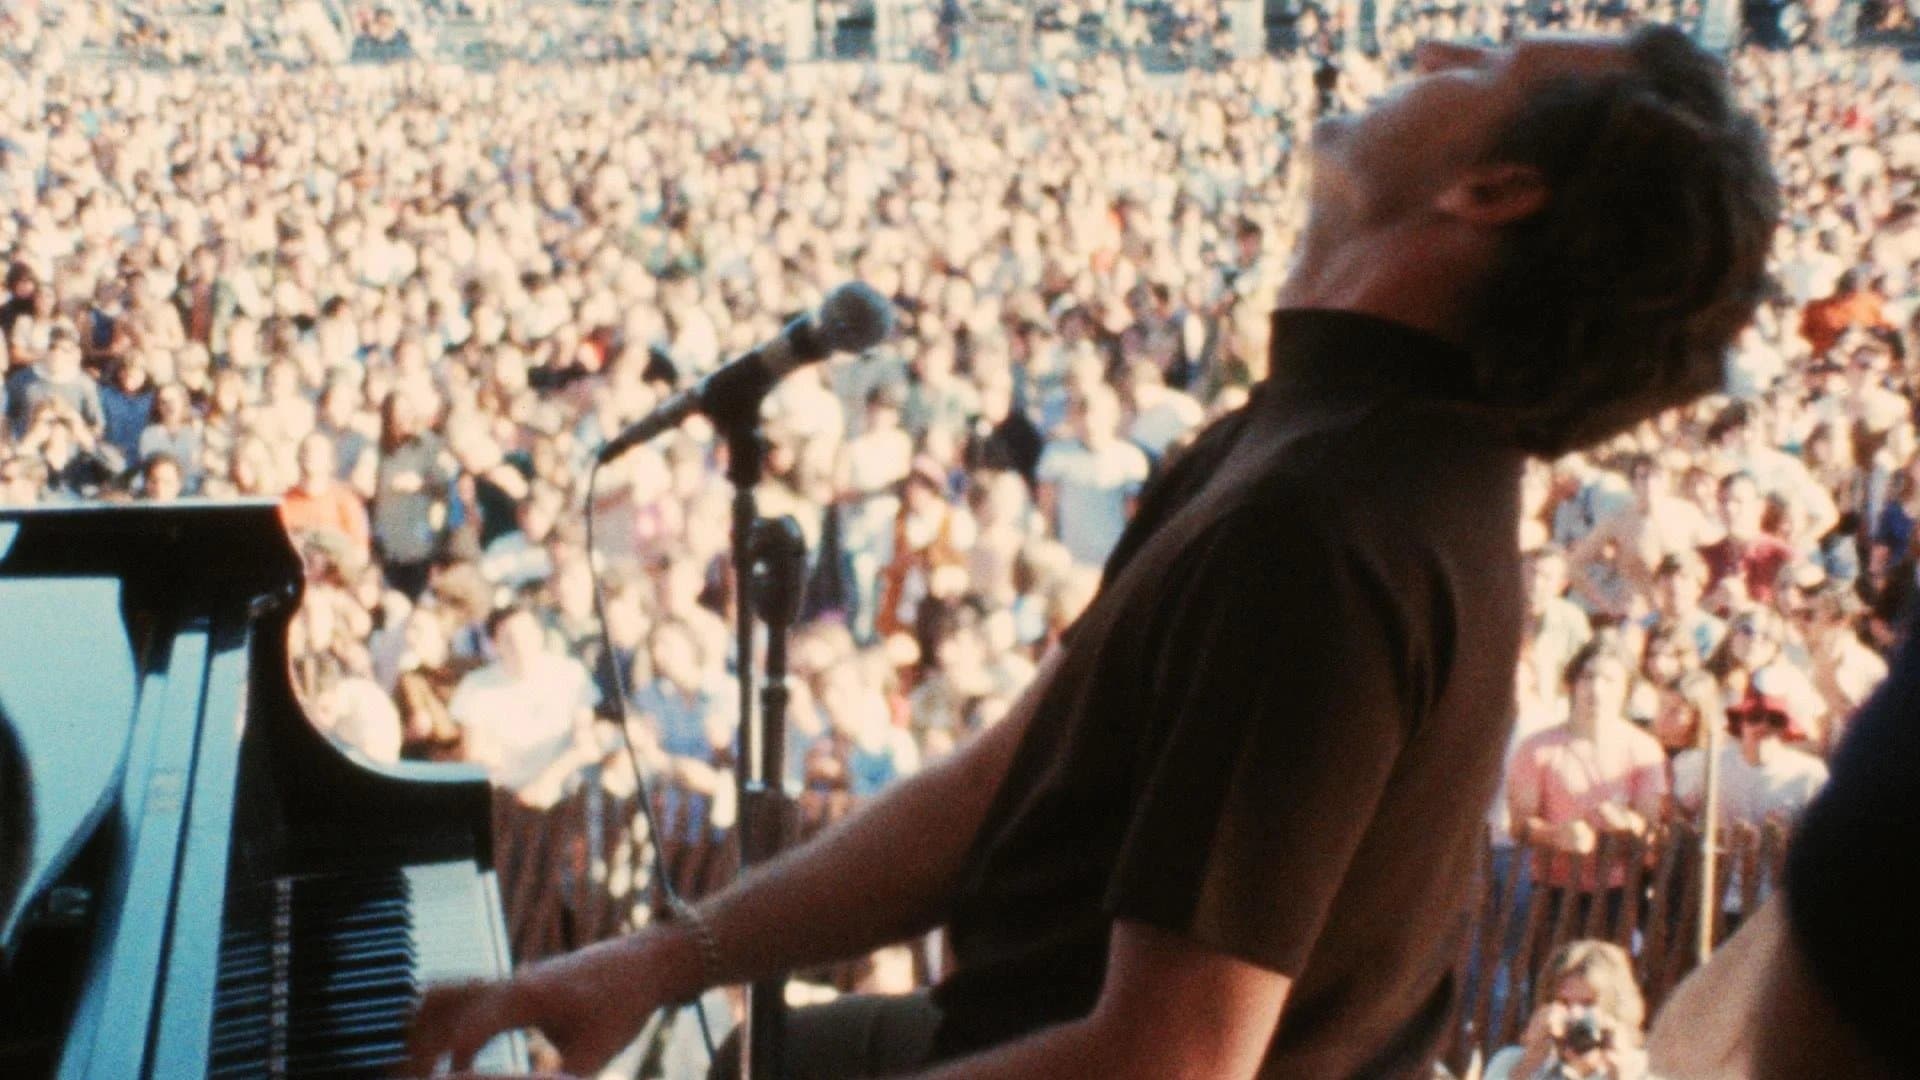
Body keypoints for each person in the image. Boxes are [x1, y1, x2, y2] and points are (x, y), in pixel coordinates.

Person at [397, 24, 1778, 1077]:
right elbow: (1002, 779)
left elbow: (1171, 1057)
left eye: (1478, 54)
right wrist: (658, 963)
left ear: (1492, 189)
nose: (1424, 45)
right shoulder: (1312, 440)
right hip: (1000, 1022)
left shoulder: (1329, 528)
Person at [1486, 940, 1649, 1080]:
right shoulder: (1510, 1063)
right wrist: (1527, 1066)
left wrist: (1620, 1074)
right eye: (1563, 1003)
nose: (1575, 1014)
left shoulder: (1638, 1072)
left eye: (1588, 1004)